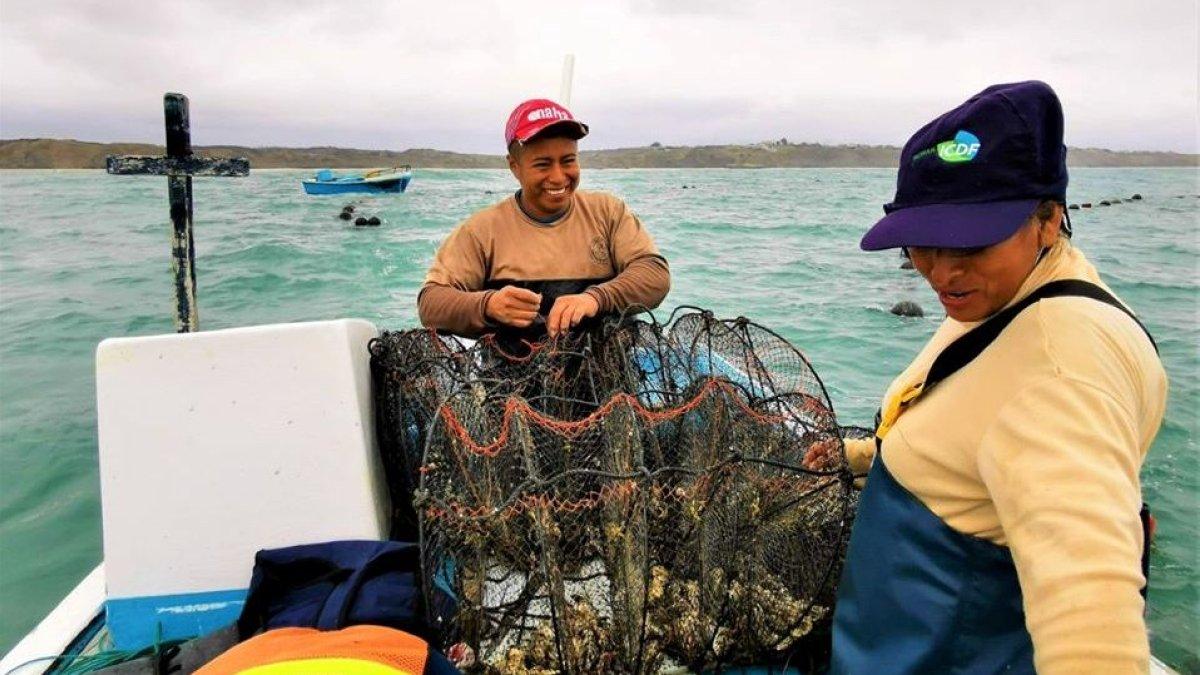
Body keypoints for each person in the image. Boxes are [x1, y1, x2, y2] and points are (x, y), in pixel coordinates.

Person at [817, 81, 1168, 674]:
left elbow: (1091, 625)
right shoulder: (1013, 296)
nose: (942, 271)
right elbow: (977, 423)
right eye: (922, 244)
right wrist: (864, 456)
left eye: (972, 242)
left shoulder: (1061, 374)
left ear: (1049, 219)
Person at [418, 98, 670, 343]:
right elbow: (431, 304)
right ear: (514, 166)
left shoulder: (608, 212)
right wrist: (488, 305)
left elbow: (655, 275)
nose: (559, 177)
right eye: (543, 164)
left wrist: (595, 298)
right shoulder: (482, 231)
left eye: (568, 161)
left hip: (608, 372)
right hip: (515, 379)